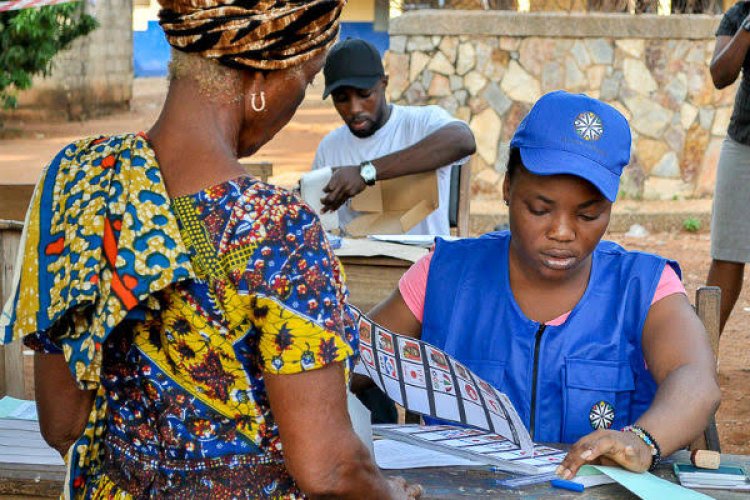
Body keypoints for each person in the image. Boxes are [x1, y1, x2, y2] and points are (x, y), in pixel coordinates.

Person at [0, 1, 420, 498]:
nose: (296, 102)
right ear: (262, 80)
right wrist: (389, 491)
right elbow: (328, 469)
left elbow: (62, 424)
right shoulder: (276, 229)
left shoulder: (79, 180)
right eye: (304, 82)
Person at [368, 91, 720, 479]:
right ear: (506, 189)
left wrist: (641, 440)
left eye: (589, 215)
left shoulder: (643, 286)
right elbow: (350, 359)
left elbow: (695, 378)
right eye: (539, 209)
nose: (562, 232)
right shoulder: (445, 274)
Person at [311, 38, 476, 235]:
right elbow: (319, 224)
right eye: (341, 99)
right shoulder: (330, 148)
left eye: (364, 94)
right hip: (357, 264)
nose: (354, 109)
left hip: (423, 261)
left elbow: (463, 140)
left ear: (384, 83)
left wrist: (366, 173)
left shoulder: (420, 123)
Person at [706, 2, 750, 335]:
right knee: (726, 255)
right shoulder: (738, 15)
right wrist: (748, 28)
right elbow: (720, 75)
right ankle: (697, 355)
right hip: (743, 144)